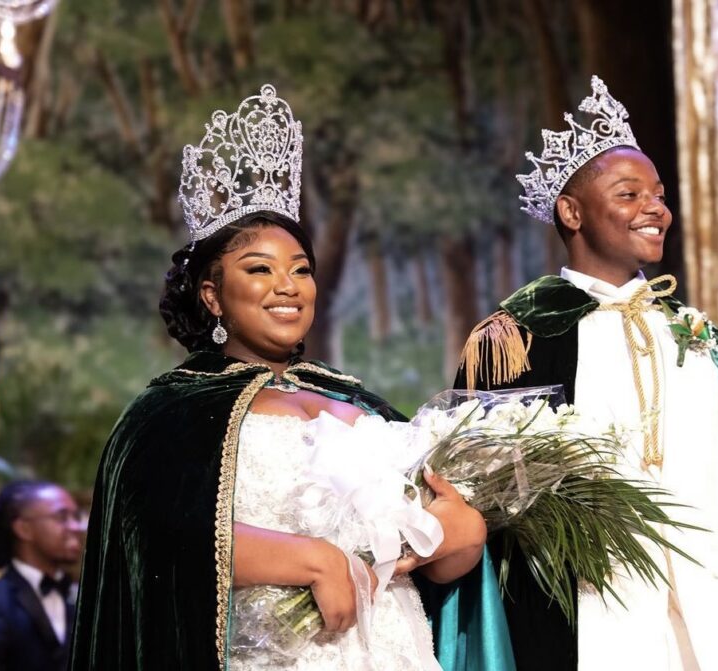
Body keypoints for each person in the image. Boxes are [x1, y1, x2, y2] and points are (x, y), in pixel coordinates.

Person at [69, 84, 513, 671]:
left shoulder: (357, 400)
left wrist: (461, 533)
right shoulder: (172, 413)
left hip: (396, 648)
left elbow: (437, 564)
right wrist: (309, 560)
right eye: (260, 269)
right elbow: (152, 539)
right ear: (212, 294)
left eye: (301, 270)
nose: (288, 286)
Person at [455, 76, 718, 671]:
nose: (656, 209)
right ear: (571, 212)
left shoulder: (696, 334)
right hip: (596, 597)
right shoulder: (519, 334)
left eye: (659, 193)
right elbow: (490, 497)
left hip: (717, 590)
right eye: (628, 195)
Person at [0, 480, 85, 671]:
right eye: (62, 517)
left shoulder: (81, 599)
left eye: (76, 516)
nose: (76, 527)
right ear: (24, 529)